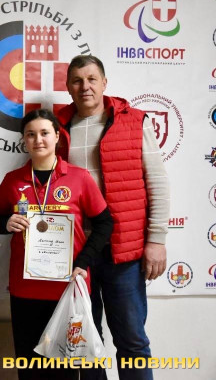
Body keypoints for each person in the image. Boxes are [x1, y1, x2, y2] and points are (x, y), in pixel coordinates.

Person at [56, 55, 169, 380]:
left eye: (92, 79)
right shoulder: (57, 128)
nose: (85, 86)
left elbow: (158, 182)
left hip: (124, 252)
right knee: (86, 345)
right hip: (79, 253)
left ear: (104, 83)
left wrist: (156, 240)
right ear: (68, 87)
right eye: (77, 80)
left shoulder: (134, 121)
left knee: (132, 341)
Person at [0, 109, 114, 380]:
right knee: (29, 367)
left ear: (57, 136)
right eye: (31, 134)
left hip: (68, 287)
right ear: (24, 140)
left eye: (45, 133)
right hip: (26, 288)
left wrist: (83, 262)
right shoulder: (12, 180)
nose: (38, 140)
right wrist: (6, 223)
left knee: (66, 369)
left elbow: (105, 223)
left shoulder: (79, 177)